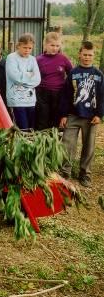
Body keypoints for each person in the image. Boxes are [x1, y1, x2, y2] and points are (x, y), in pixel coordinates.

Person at [59, 41, 104, 187]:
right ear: (80, 54)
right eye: (84, 54)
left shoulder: (98, 75)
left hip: (91, 117)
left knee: (89, 146)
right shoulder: (73, 73)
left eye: (90, 55)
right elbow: (65, 95)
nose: (87, 57)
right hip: (73, 115)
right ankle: (65, 171)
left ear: (93, 56)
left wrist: (99, 114)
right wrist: (64, 115)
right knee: (67, 144)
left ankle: (85, 174)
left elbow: (102, 96)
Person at [35, 32, 73, 130]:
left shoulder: (63, 58)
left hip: (58, 94)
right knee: (42, 119)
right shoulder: (38, 60)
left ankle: (54, 142)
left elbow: (72, 74)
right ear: (45, 44)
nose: (54, 48)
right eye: (52, 45)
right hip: (42, 93)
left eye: (57, 46)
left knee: (55, 119)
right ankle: (41, 141)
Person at [6, 33, 41, 130]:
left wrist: (23, 76)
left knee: (31, 128)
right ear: (18, 46)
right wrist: (29, 74)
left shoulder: (33, 59)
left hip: (30, 101)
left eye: (30, 48)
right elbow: (15, 77)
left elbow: (37, 80)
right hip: (16, 100)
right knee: (22, 129)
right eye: (25, 47)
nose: (27, 50)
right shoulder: (11, 58)